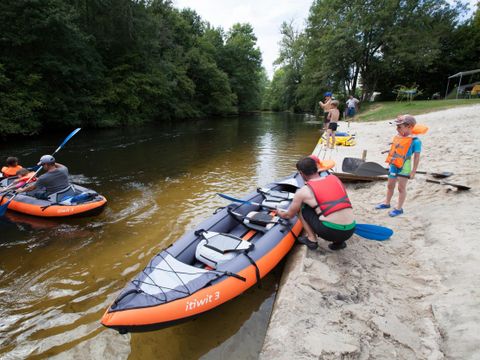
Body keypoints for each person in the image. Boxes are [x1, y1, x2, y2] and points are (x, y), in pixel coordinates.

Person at [277, 156, 356, 251]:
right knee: (333, 205)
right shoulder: (335, 179)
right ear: (317, 168)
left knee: (301, 208)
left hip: (331, 232)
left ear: (301, 174)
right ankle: (339, 243)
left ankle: (312, 240)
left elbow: (289, 215)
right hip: (350, 230)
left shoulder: (303, 191)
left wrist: (278, 212)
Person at [375, 114, 421, 217]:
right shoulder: (398, 137)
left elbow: (417, 157)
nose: (397, 129)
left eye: (399, 127)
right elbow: (398, 148)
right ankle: (387, 203)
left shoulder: (416, 141)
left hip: (404, 166)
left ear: (409, 126)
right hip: (394, 163)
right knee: (390, 185)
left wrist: (413, 171)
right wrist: (388, 151)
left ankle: (399, 208)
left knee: (401, 188)